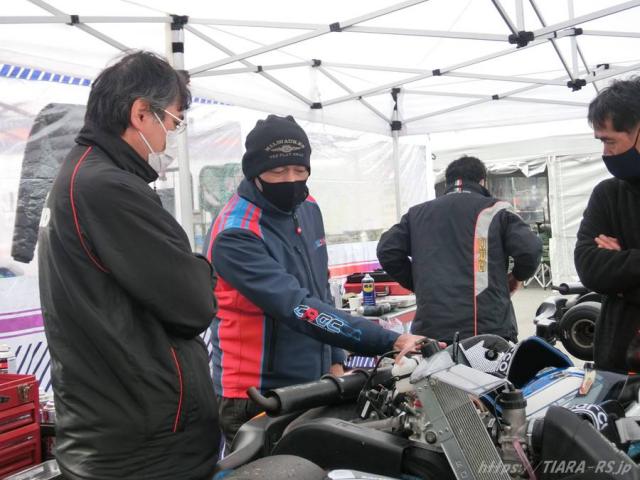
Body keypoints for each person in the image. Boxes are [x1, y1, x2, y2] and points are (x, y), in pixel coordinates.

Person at [37, 51, 219, 480]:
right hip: (143, 445)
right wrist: (200, 268)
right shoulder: (107, 187)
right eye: (172, 122)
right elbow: (194, 304)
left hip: (117, 431)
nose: (169, 139)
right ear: (140, 114)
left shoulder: (82, 176)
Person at [204, 114, 424, 446]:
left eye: (299, 169)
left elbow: (321, 289)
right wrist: (389, 340)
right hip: (257, 394)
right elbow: (300, 308)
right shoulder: (235, 233)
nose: (291, 180)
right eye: (278, 171)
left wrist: (335, 361)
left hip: (314, 381)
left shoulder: (307, 206)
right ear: (254, 171)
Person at [377, 155, 542, 344]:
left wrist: (418, 283)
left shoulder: (416, 214)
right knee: (490, 365)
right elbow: (530, 249)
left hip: (431, 331)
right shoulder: (496, 210)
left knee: (433, 365)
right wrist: (517, 276)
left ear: (448, 182)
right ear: (482, 181)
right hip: (486, 329)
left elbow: (387, 250)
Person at [575, 78, 640, 372]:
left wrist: (622, 278)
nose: (605, 152)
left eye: (609, 140)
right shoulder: (608, 194)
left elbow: (607, 272)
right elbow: (589, 267)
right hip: (615, 365)